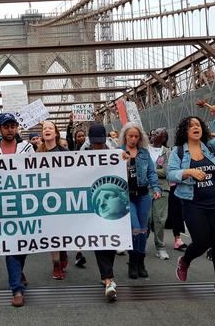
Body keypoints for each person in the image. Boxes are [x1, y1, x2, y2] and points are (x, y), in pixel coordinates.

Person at [167, 105, 215, 299]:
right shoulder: (178, 152)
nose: (196, 127)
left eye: (198, 124)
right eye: (191, 126)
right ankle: (185, 260)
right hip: (193, 203)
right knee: (201, 241)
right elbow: (170, 173)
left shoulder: (211, 146)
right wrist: (188, 171)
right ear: (185, 131)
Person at [0, 113, 34, 307]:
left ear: (17, 128)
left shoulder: (27, 148)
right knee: (11, 245)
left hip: (24, 204)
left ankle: (18, 270)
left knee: (24, 244)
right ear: (0, 129)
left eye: (13, 126)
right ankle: (17, 289)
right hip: (1, 206)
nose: (10, 129)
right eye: (6, 126)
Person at [85, 122, 127, 302]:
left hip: (112, 204)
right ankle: (109, 278)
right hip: (94, 204)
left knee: (110, 239)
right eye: (94, 143)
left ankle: (106, 275)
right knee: (99, 240)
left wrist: (126, 160)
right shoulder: (83, 155)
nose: (97, 146)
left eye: (100, 142)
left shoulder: (116, 154)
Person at [36, 121, 80, 279]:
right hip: (45, 199)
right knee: (51, 231)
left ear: (55, 133)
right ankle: (56, 264)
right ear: (42, 134)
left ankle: (62, 253)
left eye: (50, 128)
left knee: (61, 231)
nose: (47, 130)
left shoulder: (65, 152)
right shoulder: (36, 155)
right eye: (44, 128)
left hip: (62, 197)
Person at [119, 123, 161, 279]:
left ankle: (140, 262)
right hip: (126, 195)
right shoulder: (118, 153)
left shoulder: (144, 153)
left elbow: (151, 172)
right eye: (130, 136)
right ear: (125, 137)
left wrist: (156, 188)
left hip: (143, 195)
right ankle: (132, 260)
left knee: (143, 231)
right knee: (135, 229)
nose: (133, 139)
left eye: (136, 136)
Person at [148, 128, 171, 260]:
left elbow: (167, 171)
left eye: (157, 133)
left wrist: (149, 171)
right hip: (145, 188)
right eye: (153, 132)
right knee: (146, 219)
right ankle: (140, 245)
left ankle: (160, 247)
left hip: (162, 188)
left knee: (160, 219)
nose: (153, 134)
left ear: (163, 138)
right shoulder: (144, 150)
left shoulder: (167, 152)